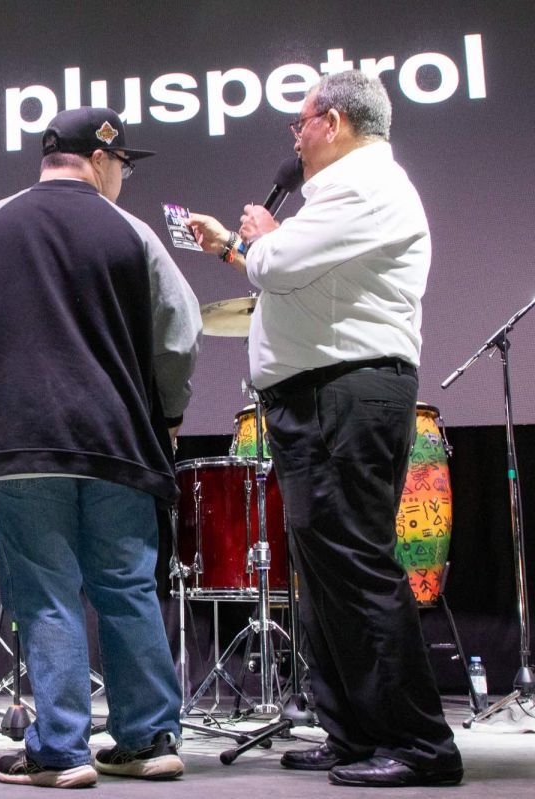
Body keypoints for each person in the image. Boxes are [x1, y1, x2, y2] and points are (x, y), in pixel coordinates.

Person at [186, 71, 463, 788]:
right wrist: (237, 249)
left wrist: (258, 238)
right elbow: (280, 270)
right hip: (315, 396)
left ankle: (422, 743)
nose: (295, 135)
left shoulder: (366, 183)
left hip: (350, 390)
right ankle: (354, 730)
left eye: (300, 121)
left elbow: (277, 265)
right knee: (326, 571)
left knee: (359, 564)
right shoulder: (339, 191)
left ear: (333, 121)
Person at [0, 107, 202, 788]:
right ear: (102, 157)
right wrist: (166, 413)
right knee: (127, 587)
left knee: (45, 592)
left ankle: (61, 748)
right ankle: (147, 737)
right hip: (118, 440)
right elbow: (180, 331)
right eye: (125, 166)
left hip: (20, 440)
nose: (125, 178)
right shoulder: (132, 232)